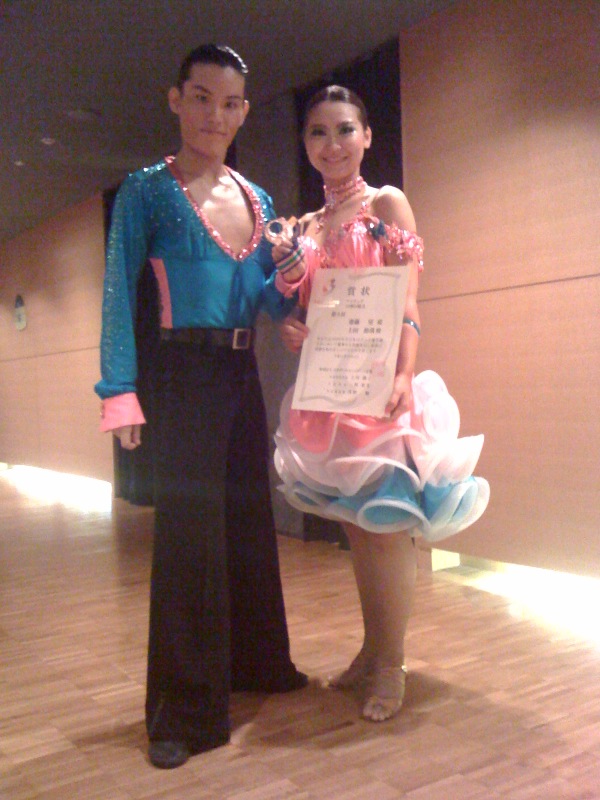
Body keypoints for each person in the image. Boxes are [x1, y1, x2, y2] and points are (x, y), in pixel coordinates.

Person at [94, 44, 307, 770]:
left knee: (247, 519)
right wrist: (118, 392)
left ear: (243, 112)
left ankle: (259, 664)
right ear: (176, 99)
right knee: (189, 541)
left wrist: (287, 293)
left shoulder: (260, 199)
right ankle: (181, 712)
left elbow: (262, 295)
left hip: (241, 370)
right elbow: (118, 291)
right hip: (179, 374)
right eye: (202, 97)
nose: (216, 115)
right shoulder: (146, 191)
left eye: (230, 103)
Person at [271, 86, 489, 722]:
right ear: (305, 144)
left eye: (345, 129)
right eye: (318, 132)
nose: (332, 143)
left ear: (366, 136)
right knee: (357, 532)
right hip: (330, 397)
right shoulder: (306, 228)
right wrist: (293, 329)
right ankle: (372, 649)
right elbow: (305, 310)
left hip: (382, 392)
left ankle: (392, 663)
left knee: (388, 533)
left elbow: (408, 303)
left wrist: (404, 374)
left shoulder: (387, 202)